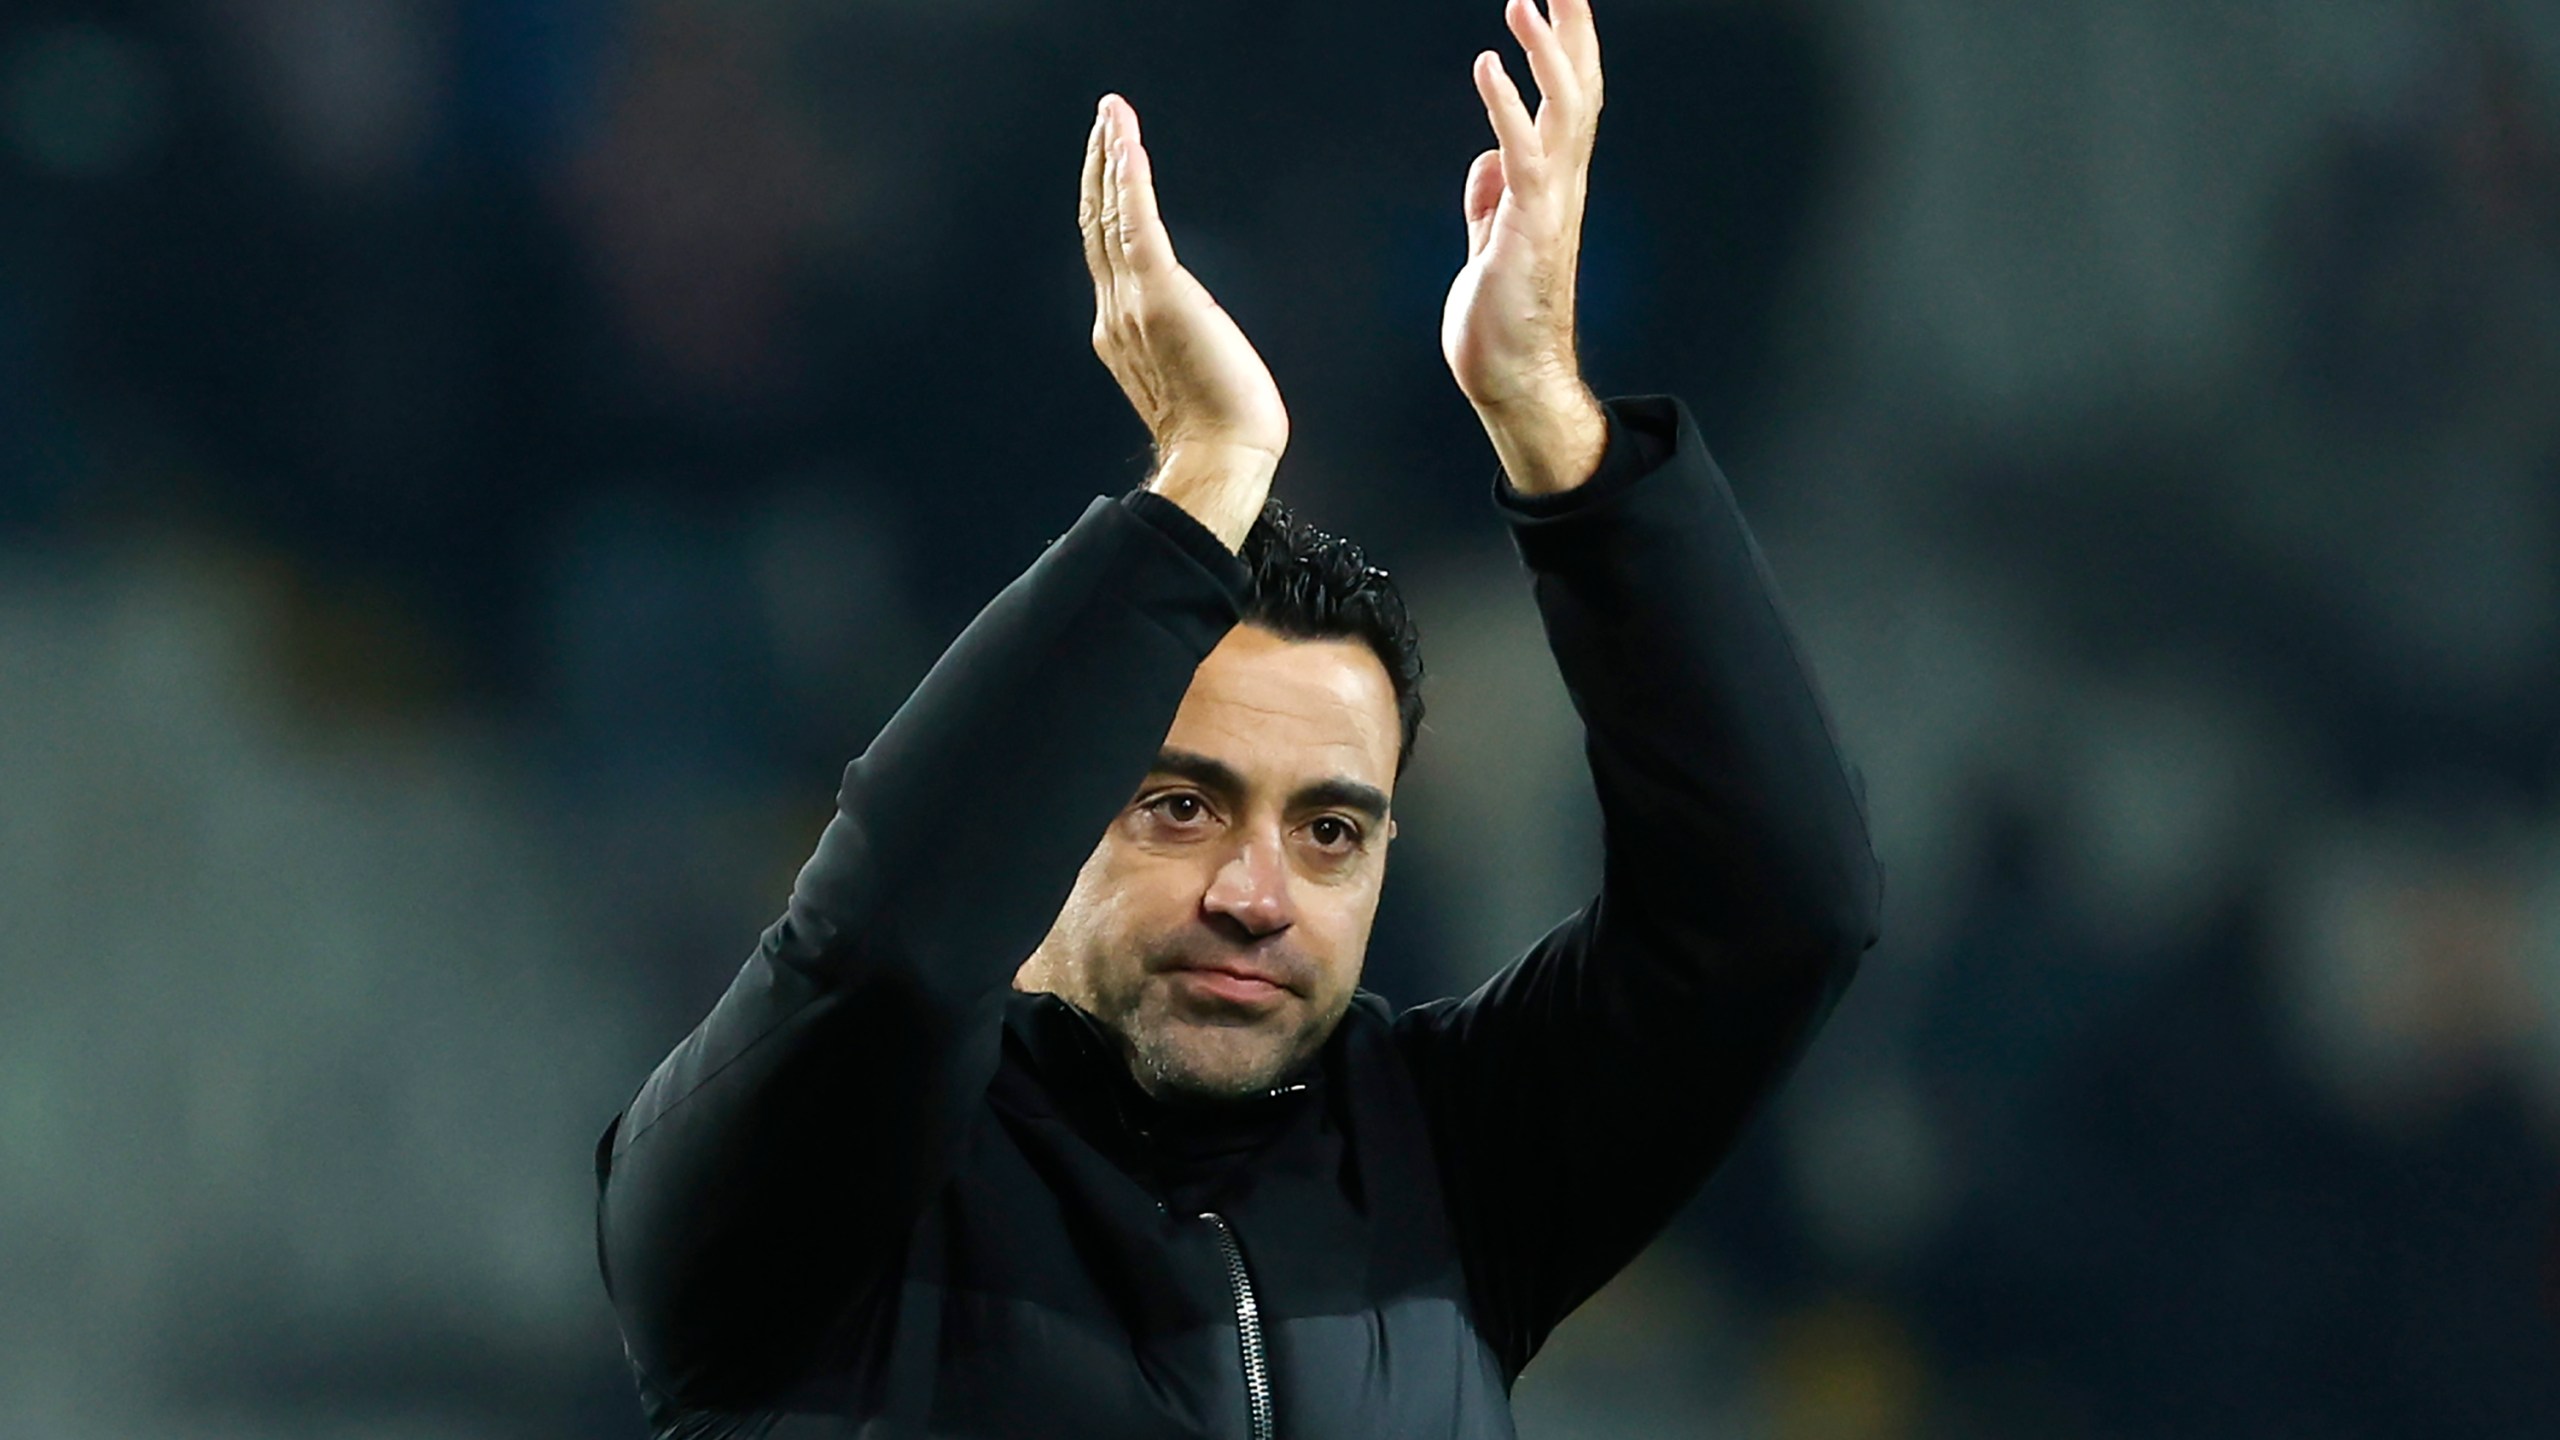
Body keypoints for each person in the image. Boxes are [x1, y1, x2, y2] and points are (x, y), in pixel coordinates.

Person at [594, 2, 1880, 1434]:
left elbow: (1780, 911)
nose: (1257, 894)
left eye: (1332, 830)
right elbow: (882, 957)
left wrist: (1550, 424)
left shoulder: (1444, 1179)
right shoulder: (801, 1212)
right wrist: (1200, 482)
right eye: (1182, 804)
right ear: (1055, 805)